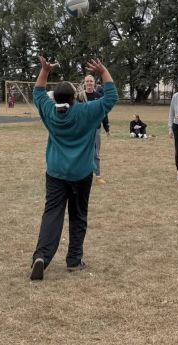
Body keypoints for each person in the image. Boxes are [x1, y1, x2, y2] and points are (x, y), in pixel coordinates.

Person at [29, 56, 117, 281]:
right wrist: (103, 70)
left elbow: (38, 93)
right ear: (75, 98)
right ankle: (74, 260)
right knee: (78, 215)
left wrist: (45, 71)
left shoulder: (49, 111)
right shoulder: (86, 112)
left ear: (55, 98)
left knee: (52, 214)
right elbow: (111, 96)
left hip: (56, 173)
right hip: (81, 174)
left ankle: (41, 256)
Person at [83, 75, 111, 185]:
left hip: (96, 129)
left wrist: (106, 127)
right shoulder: (80, 97)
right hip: (82, 129)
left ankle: (98, 175)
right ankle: (83, 175)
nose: (89, 83)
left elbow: (104, 113)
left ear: (94, 83)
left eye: (91, 81)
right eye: (87, 81)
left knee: (96, 153)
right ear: (84, 83)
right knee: (83, 151)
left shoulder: (99, 96)